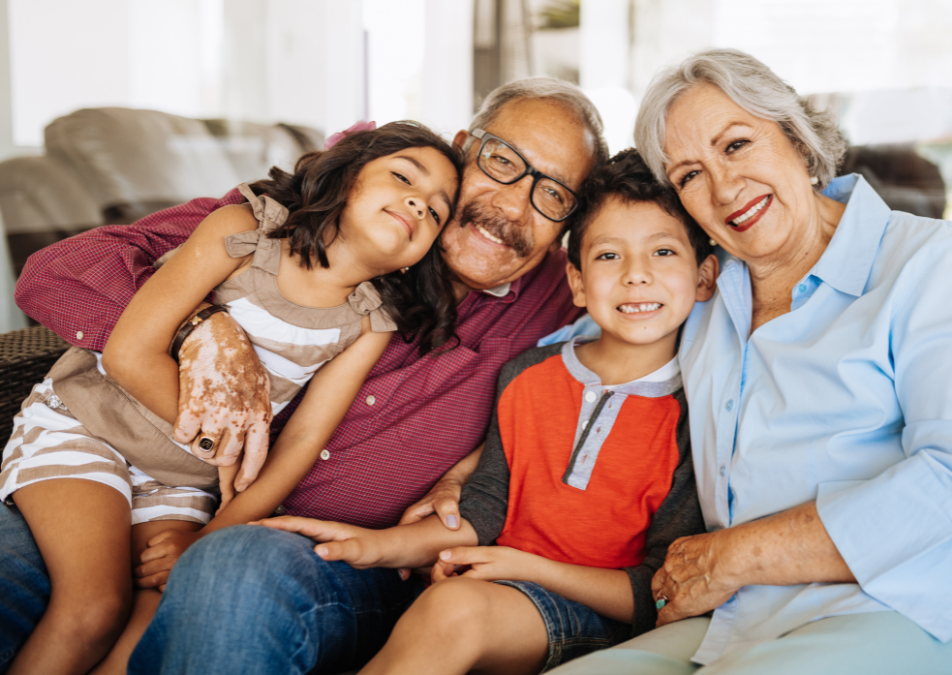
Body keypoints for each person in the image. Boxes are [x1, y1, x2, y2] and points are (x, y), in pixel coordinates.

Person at [1, 78, 604, 675]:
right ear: (463, 147)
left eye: (554, 196)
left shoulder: (565, 293)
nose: (512, 206)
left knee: (226, 574)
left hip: (327, 558)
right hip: (125, 458)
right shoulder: (304, 220)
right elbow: (56, 275)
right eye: (503, 162)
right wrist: (202, 329)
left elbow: (654, 284)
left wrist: (468, 473)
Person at [544, 49, 952, 674]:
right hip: (755, 617)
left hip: (942, 606)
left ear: (797, 139)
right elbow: (583, 341)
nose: (722, 187)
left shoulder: (931, 263)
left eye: (737, 145)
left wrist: (733, 556)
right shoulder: (701, 287)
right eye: (689, 175)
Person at [257, 148, 717, 675]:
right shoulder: (527, 374)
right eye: (609, 256)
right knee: (443, 606)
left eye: (663, 253)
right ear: (578, 283)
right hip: (486, 585)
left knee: (456, 610)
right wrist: (377, 547)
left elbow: (658, 590)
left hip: (593, 614)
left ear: (705, 277)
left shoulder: (695, 413)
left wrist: (525, 568)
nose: (637, 275)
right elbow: (482, 510)